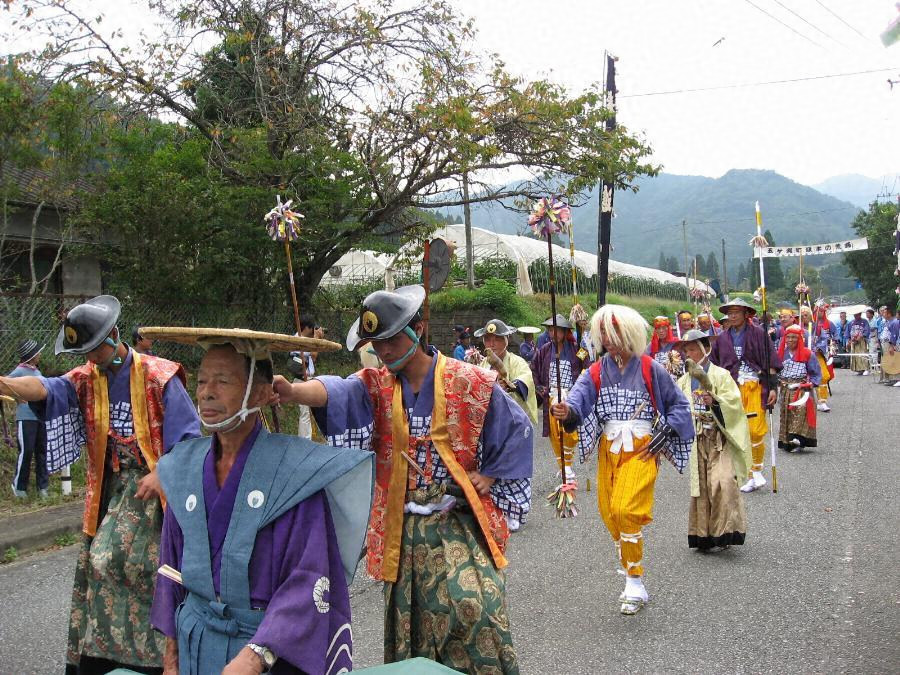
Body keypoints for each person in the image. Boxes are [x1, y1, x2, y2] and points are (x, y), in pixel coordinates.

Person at [274, 285, 532, 672]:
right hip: (401, 531)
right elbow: (336, 391)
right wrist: (293, 391)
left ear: (419, 329)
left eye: (392, 339)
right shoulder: (376, 386)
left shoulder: (469, 380)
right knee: (410, 632)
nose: (385, 351)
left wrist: (490, 475)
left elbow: (517, 427)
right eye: (376, 344)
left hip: (455, 523)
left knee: (474, 608)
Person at [147, 327, 374, 675]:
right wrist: (172, 655)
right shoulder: (184, 469)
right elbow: (172, 570)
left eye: (222, 381)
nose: (207, 393)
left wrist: (255, 657)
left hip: (267, 654)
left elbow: (308, 579)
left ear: (264, 393)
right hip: (197, 645)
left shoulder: (295, 476)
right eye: (202, 380)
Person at [0, 295, 201, 674]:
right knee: (100, 563)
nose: (90, 359)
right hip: (112, 492)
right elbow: (43, 390)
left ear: (112, 337)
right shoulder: (85, 380)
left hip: (159, 494)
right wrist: (5, 384)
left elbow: (191, 439)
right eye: (85, 353)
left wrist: (164, 472)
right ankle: (103, 655)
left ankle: (162, 656)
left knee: (143, 565)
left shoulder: (160, 377)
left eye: (94, 350)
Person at [550, 305, 693, 615]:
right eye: (604, 336)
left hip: (642, 447)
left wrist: (665, 431)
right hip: (610, 448)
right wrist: (567, 411)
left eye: (612, 335)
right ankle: (631, 572)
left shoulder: (650, 368)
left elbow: (679, 406)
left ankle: (635, 581)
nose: (607, 341)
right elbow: (578, 399)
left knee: (625, 509)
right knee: (609, 513)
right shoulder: (597, 370)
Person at [674, 330, 749, 552]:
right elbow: (676, 408)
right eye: (686, 350)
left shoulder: (721, 376)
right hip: (698, 439)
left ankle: (726, 531)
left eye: (694, 349)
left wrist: (715, 401)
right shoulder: (683, 381)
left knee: (723, 481)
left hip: (719, 438)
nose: (690, 353)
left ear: (706, 349)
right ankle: (703, 535)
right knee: (703, 487)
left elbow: (735, 404)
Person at [709, 298, 781, 494]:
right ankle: (745, 473)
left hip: (755, 386)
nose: (732, 316)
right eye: (729, 313)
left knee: (755, 430)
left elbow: (770, 362)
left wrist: (773, 387)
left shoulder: (759, 334)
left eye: (736, 312)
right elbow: (714, 365)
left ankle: (756, 470)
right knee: (734, 431)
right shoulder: (722, 338)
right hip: (731, 389)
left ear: (745, 314)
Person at [531, 314, 590, 482]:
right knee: (555, 433)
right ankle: (564, 467)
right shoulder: (544, 350)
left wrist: (580, 387)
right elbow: (534, 369)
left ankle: (568, 463)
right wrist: (541, 388)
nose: (553, 333)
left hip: (570, 396)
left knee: (569, 432)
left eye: (557, 330)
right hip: (551, 396)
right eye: (550, 330)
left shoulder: (576, 348)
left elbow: (587, 365)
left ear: (565, 332)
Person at [475, 319, 538, 427]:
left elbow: (526, 378)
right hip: (490, 421)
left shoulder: (518, 362)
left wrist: (510, 385)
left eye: (497, 339)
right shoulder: (482, 364)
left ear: (507, 339)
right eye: (488, 340)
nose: (492, 344)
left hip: (514, 422)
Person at [7, 339, 48, 498]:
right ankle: (18, 486)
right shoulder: (19, 372)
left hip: (40, 417)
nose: (40, 355)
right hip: (26, 418)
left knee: (42, 451)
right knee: (27, 450)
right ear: (31, 356)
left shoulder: (37, 372)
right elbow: (5, 384)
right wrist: (17, 398)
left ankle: (42, 486)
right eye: (37, 353)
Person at [776, 325, 822, 451]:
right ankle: (788, 441)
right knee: (787, 415)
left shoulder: (808, 354)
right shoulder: (781, 354)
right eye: (788, 337)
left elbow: (816, 373)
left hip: (801, 390)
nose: (790, 340)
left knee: (801, 413)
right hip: (786, 389)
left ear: (799, 339)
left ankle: (799, 439)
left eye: (793, 337)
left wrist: (811, 383)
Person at [287, 315, 324, 439]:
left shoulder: (299, 338)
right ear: (307, 328)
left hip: (305, 379)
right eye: (312, 328)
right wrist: (317, 338)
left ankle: (306, 438)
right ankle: (305, 440)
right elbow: (313, 355)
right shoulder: (299, 340)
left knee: (307, 412)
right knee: (305, 413)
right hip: (302, 379)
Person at [811, 302, 836, 412]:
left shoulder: (828, 324)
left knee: (824, 376)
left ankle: (822, 401)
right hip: (805, 355)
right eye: (819, 311)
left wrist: (828, 346)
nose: (820, 313)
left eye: (822, 311)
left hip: (820, 353)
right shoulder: (805, 325)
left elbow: (831, 337)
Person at [848, 310, 870, 376]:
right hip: (853, 340)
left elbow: (867, 330)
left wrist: (861, 336)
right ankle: (859, 369)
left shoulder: (864, 321)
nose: (855, 316)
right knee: (856, 356)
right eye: (854, 314)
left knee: (863, 354)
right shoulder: (851, 322)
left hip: (862, 340)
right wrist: (849, 340)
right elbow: (848, 332)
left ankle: (866, 368)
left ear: (860, 314)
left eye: (857, 314)